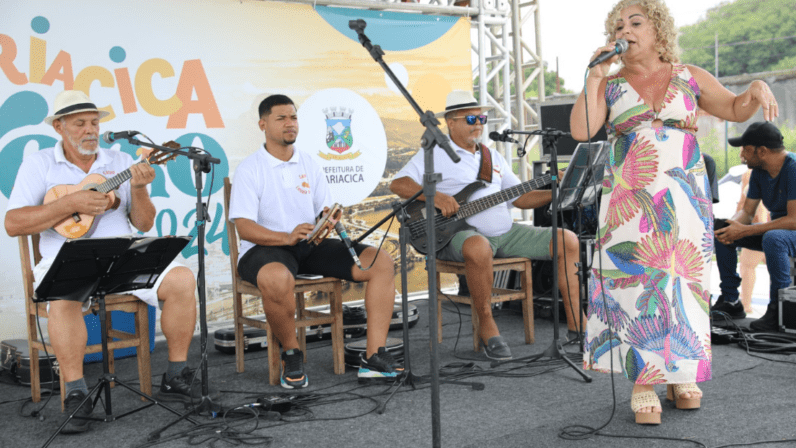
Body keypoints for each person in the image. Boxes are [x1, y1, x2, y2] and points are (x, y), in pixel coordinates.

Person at [570, 0, 778, 425]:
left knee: (682, 282)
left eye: (635, 21)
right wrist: (593, 77)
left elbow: (736, 108)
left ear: (658, 28)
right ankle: (643, 380)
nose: (625, 29)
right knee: (637, 284)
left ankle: (680, 372)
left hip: (683, 198)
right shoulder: (609, 84)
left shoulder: (690, 76)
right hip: (630, 200)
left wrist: (755, 87)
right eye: (619, 24)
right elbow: (580, 130)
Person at [4, 90, 203, 433]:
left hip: (122, 256)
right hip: (67, 259)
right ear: (59, 127)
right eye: (80, 123)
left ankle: (175, 374)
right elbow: (13, 223)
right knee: (62, 299)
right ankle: (76, 394)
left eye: (94, 122)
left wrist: (139, 189)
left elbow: (143, 224)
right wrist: (69, 204)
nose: (90, 130)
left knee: (183, 278)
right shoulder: (39, 164)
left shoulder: (119, 161)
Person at [390, 90, 582, 361]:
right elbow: (399, 184)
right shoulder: (433, 153)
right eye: (470, 118)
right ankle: (487, 326)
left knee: (568, 239)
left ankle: (578, 327)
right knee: (479, 247)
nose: (478, 123)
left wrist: (555, 189)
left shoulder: (493, 157)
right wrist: (437, 196)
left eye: (481, 117)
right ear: (451, 122)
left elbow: (521, 198)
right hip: (457, 234)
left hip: (505, 233)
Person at [228, 94, 402, 389]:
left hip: (309, 245)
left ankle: (373, 357)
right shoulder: (250, 169)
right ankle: (292, 353)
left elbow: (322, 209)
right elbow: (244, 228)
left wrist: (329, 218)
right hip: (264, 249)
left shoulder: (309, 163)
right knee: (276, 278)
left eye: (293, 117)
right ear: (263, 124)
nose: (289, 123)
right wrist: (285, 236)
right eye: (281, 118)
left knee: (381, 262)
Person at [713, 122, 793, 331]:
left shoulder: (793, 169)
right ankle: (731, 301)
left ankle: (779, 310)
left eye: (745, 149)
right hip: (779, 233)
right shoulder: (760, 171)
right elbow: (747, 212)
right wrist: (732, 227)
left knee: (774, 238)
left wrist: (746, 230)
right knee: (721, 227)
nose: (742, 154)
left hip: (789, 233)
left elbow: (794, 220)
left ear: (762, 151)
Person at [737, 168, 770, 315]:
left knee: (747, 266)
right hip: (772, 228)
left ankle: (745, 304)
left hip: (759, 228)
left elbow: (745, 206)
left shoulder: (752, 178)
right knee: (779, 272)